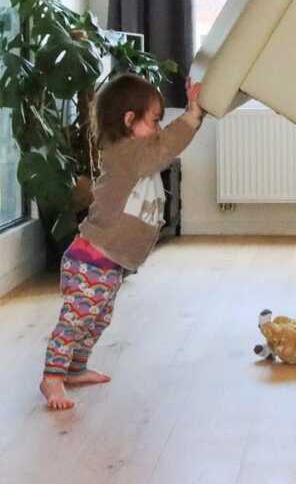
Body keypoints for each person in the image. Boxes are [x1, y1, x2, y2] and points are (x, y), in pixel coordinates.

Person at [40, 74, 206, 410]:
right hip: (89, 259)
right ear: (129, 120)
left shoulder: (138, 154)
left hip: (110, 264)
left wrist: (192, 117)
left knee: (98, 319)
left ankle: (75, 369)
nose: (160, 128)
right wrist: (191, 116)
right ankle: (52, 377)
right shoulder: (125, 154)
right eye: (155, 120)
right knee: (76, 318)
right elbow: (165, 147)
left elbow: (163, 147)